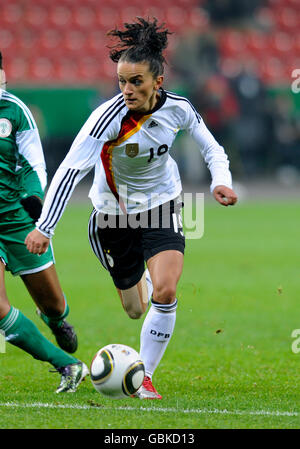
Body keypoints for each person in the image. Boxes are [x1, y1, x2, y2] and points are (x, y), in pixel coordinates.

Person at [25, 18, 238, 399]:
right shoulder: (107, 118)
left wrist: (221, 180)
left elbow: (211, 146)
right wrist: (46, 226)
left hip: (162, 206)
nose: (127, 90)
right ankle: (143, 281)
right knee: (134, 309)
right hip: (111, 218)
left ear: (158, 82)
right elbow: (71, 171)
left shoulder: (179, 109)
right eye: (121, 81)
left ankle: (145, 377)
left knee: (167, 290)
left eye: (135, 81)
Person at [0, 52, 88, 393]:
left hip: (17, 220)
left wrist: (36, 201)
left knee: (52, 303)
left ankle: (55, 320)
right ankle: (67, 365)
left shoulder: (15, 113)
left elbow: (35, 164)